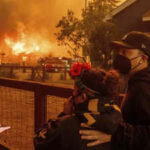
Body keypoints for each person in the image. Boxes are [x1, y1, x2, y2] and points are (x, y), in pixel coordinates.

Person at [79, 31, 150, 150]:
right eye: (119, 51)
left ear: (143, 59)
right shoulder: (136, 81)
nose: (120, 56)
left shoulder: (144, 88)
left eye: (125, 52)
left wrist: (115, 136)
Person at [34, 63, 122, 150]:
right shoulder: (119, 127)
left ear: (83, 97)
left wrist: (63, 115)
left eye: (75, 91)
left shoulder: (66, 125)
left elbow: (39, 141)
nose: (72, 94)